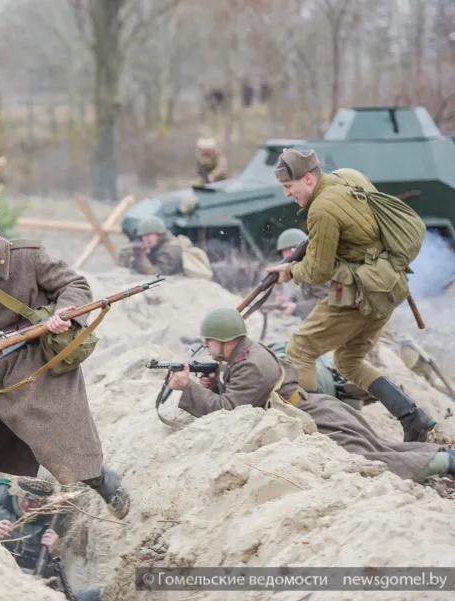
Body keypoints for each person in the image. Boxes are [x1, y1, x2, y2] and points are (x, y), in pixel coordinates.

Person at [0, 201, 130, 520]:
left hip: (41, 355)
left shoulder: (29, 257)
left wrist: (63, 314)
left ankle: (101, 481)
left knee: (60, 437)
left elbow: (75, 285)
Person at [165, 308, 454, 483]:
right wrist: (214, 384)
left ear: (225, 340)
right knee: (380, 448)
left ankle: (448, 463)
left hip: (316, 419)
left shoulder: (250, 363)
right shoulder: (246, 353)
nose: (205, 345)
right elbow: (241, 397)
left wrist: (187, 387)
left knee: (367, 460)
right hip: (315, 409)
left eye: (209, 340)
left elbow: (229, 411)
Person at [265, 148, 436, 442]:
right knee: (348, 361)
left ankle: (314, 431)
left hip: (362, 294)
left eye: (288, 187)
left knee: (301, 349)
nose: (286, 194)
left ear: (307, 179)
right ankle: (412, 417)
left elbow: (318, 272)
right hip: (389, 287)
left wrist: (290, 271)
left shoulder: (322, 210)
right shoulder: (348, 177)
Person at [0, 475, 104, 600]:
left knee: (94, 594)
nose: (27, 504)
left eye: (34, 501)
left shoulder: (56, 511)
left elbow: (60, 571)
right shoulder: (2, 490)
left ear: (45, 500)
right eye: (24, 496)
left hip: (30, 583)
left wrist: (55, 552)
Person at [273, 228, 328, 319]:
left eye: (291, 250)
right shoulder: (300, 272)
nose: (287, 256)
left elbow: (325, 302)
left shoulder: (317, 270)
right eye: (284, 252)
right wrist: (290, 301)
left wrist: (296, 307)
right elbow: (305, 295)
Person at [118, 216, 184, 276]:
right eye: (143, 236)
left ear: (159, 234)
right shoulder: (157, 245)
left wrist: (140, 256)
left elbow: (158, 275)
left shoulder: (170, 249)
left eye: (148, 235)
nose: (146, 239)